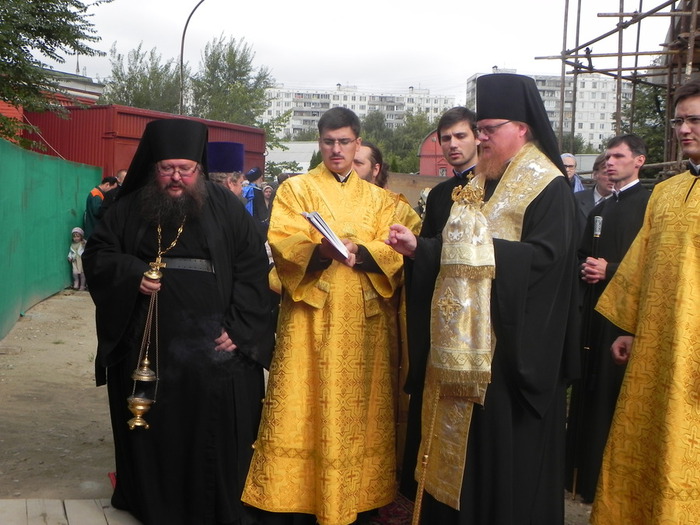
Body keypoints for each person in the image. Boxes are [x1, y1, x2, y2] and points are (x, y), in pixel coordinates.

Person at [387, 73, 579, 525]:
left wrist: (449, 250)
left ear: (523, 129)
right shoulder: (478, 184)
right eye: (482, 129)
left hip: (509, 359)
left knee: (501, 476)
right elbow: (456, 252)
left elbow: (545, 266)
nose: (481, 137)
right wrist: (423, 250)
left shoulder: (546, 186)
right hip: (462, 356)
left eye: (490, 129)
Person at [83, 118, 273, 525]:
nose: (176, 177)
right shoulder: (128, 206)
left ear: (198, 169)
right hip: (147, 342)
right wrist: (133, 274)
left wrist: (240, 329)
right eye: (167, 168)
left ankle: (212, 504)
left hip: (213, 342)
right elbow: (97, 257)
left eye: (185, 169)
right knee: (155, 426)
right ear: (153, 167)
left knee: (212, 429)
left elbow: (253, 268)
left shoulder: (227, 208)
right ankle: (152, 501)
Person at [242, 107, 405, 525]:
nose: (337, 149)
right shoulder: (296, 190)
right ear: (320, 142)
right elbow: (282, 240)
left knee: (358, 416)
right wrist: (319, 251)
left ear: (358, 143)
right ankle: (298, 502)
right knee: (305, 406)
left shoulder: (382, 199)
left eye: (345, 142)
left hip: (363, 326)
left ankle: (358, 501)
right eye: (329, 142)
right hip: (310, 320)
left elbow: (401, 246)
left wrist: (363, 252)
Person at [590, 79, 700, 524]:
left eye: (695, 119)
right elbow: (642, 263)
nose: (684, 129)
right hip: (656, 348)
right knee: (648, 447)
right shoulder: (667, 191)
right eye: (680, 120)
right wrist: (630, 327)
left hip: (693, 351)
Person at [398, 106, 480, 499]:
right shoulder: (442, 194)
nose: (452, 145)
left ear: (478, 136)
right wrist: (415, 251)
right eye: (445, 138)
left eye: (460, 136)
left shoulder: (495, 186)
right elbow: (431, 249)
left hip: (479, 318)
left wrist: (423, 249)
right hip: (442, 310)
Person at [565, 134, 650, 503]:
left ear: (639, 161)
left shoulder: (649, 203)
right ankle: (581, 476)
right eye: (607, 156)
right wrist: (586, 266)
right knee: (588, 391)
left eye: (619, 156)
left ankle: (605, 480)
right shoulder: (599, 210)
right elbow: (584, 252)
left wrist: (610, 270)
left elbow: (650, 263)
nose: (610, 163)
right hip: (594, 314)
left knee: (612, 397)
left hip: (627, 320)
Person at [573, 153, 614, 236]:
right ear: (595, 175)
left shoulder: (624, 203)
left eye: (615, 173)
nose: (612, 178)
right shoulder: (576, 200)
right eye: (607, 173)